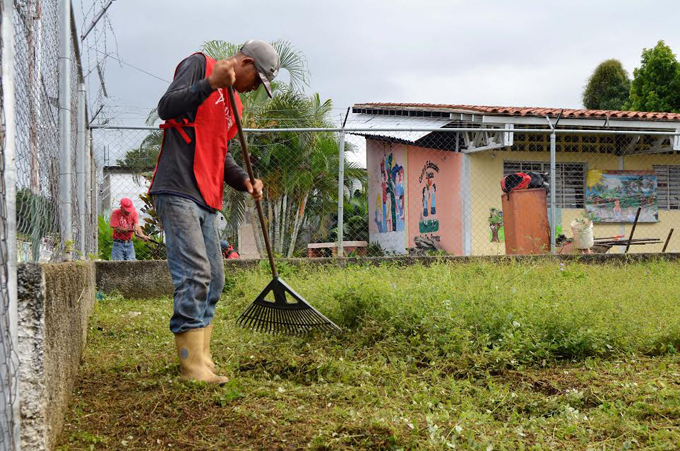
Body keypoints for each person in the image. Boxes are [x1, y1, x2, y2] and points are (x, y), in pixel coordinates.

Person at [149, 40, 279, 384]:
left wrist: (245, 180)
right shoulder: (200, 65)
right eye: (257, 81)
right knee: (195, 274)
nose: (253, 90)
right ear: (246, 62)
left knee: (215, 279)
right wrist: (210, 84)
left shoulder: (233, 102)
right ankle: (190, 367)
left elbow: (221, 154)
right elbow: (166, 107)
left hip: (207, 197)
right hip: (178, 187)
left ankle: (202, 358)